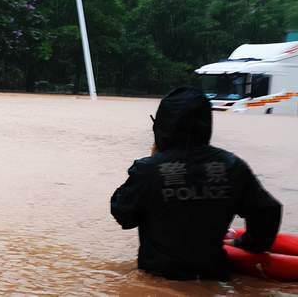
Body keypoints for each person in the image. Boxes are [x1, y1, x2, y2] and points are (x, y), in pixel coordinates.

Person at [110, 87, 282, 280]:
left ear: (161, 126)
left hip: (158, 277)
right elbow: (268, 210)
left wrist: (153, 161)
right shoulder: (232, 165)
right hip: (214, 275)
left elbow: (123, 215)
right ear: (207, 123)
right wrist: (247, 244)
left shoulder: (148, 169)